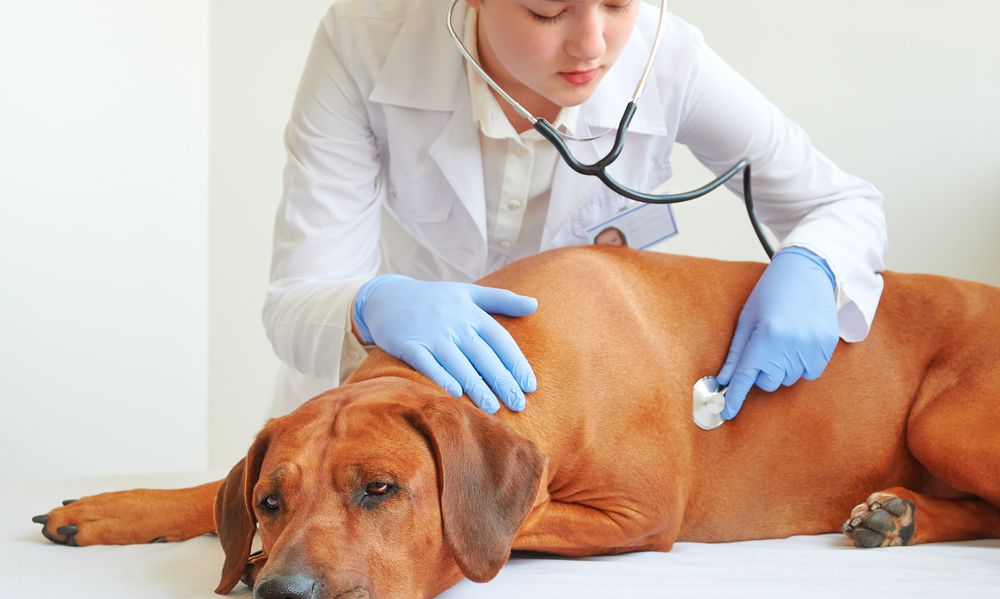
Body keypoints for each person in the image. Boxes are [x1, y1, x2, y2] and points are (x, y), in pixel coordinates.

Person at [262, 0, 886, 422]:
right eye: (547, 9)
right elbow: (296, 299)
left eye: (617, 3)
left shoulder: (667, 61)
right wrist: (370, 309)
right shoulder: (363, 43)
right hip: (383, 407)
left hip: (577, 420)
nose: (593, 43)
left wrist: (815, 264)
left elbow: (842, 203)